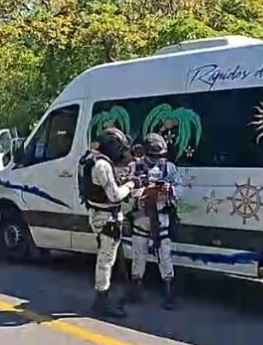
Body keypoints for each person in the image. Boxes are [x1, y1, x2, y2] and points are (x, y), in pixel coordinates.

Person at [78, 127, 140, 318]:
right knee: (106, 260)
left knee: (113, 257)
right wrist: (131, 185)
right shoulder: (102, 165)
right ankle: (101, 302)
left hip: (96, 212)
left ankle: (121, 291)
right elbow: (114, 195)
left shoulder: (88, 158)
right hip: (107, 217)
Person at [126, 133, 185, 310]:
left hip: (161, 217)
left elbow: (181, 190)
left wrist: (170, 189)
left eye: (159, 156)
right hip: (141, 216)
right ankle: (135, 288)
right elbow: (126, 190)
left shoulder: (169, 168)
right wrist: (142, 192)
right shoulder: (134, 167)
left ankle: (169, 292)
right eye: (153, 156)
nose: (156, 160)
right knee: (139, 254)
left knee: (165, 255)